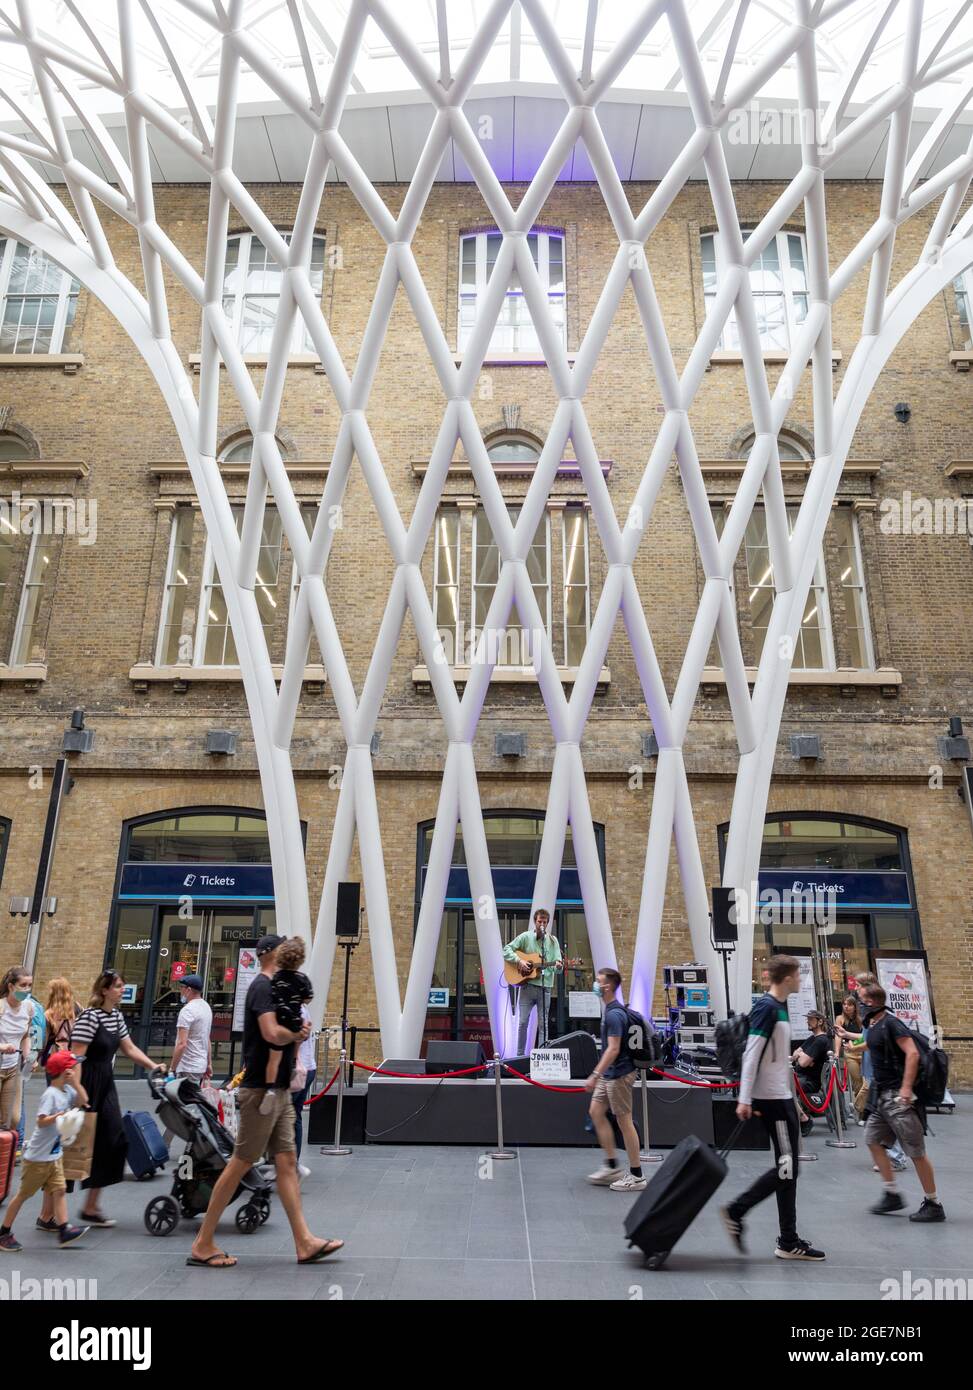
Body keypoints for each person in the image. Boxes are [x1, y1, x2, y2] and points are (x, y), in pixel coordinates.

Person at [189, 935, 342, 1268]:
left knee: (286, 1163)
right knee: (242, 1161)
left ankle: (304, 1242)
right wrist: (297, 1034)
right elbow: (272, 1034)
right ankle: (202, 1242)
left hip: (280, 1090)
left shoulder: (278, 988)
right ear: (271, 954)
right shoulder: (261, 988)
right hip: (261, 1091)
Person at [720, 955, 825, 1260]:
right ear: (788, 978)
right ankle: (737, 1211)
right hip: (772, 1101)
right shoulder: (767, 1008)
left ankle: (788, 1240)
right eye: (798, 975)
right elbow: (752, 1053)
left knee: (788, 1169)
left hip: (781, 1099)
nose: (801, 980)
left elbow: (777, 1061)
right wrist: (744, 1098)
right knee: (787, 1169)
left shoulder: (779, 1008)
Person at [70, 971, 164, 1228]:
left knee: (113, 1140)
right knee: (76, 1145)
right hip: (86, 1081)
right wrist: (78, 1090)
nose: (123, 989)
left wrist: (153, 1066)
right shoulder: (90, 1017)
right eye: (119, 986)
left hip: (106, 1082)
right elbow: (76, 1056)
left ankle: (91, 1205)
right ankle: (50, 1212)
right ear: (104, 990)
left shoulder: (116, 1016)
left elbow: (129, 1048)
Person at [859, 983, 945, 1223]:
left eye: (861, 999)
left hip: (898, 1097)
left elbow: (913, 1053)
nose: (858, 1005)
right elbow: (873, 1044)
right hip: (883, 1098)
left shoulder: (891, 1023)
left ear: (872, 1002)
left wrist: (906, 1088)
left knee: (915, 1151)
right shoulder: (874, 1025)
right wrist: (851, 1041)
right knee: (873, 1139)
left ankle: (933, 1203)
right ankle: (892, 1193)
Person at [0, 1050, 89, 1252]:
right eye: (74, 1066)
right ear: (65, 1071)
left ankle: (64, 1229)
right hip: (38, 1158)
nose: (77, 1069)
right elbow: (41, 1122)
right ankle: (3, 1232)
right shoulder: (51, 1095)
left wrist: (75, 1084)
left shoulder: (68, 1091)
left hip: (54, 1155)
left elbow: (84, 1099)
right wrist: (59, 1117)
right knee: (23, 1195)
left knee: (59, 1191)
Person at [584, 967, 645, 1193]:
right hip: (610, 1074)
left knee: (624, 1121)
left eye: (598, 981)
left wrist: (594, 1075)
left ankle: (637, 1175)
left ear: (608, 986)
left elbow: (613, 1049)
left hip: (619, 1074)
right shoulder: (610, 1010)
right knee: (596, 1112)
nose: (596, 984)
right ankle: (611, 1166)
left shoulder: (614, 1014)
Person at [843, 972, 907, 1169]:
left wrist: (854, 1047)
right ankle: (890, 1156)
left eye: (860, 987)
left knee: (887, 1116)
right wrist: (847, 1034)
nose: (857, 992)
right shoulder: (870, 1016)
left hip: (883, 1072)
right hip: (873, 1067)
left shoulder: (883, 1017)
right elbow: (866, 1037)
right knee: (881, 1116)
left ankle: (895, 1157)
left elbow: (871, 1042)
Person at [162, 974, 213, 1149]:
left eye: (182, 988)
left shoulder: (188, 1011)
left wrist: (172, 1069)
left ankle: (198, 1145)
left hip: (187, 1066)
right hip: (198, 1065)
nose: (180, 991)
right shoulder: (206, 1007)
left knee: (182, 1109)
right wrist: (209, 1063)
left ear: (189, 990)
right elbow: (207, 1039)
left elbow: (182, 1044)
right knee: (181, 1106)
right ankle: (165, 1143)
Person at [504, 908, 563, 1054]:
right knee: (523, 1022)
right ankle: (519, 1055)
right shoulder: (525, 937)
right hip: (527, 987)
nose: (541, 924)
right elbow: (507, 949)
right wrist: (519, 961)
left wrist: (559, 966)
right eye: (539, 921)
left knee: (543, 1024)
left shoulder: (552, 941)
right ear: (535, 922)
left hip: (545, 988)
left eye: (544, 922)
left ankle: (542, 1055)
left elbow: (557, 967)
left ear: (548, 923)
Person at [262, 938, 312, 1112]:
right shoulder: (302, 979)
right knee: (295, 1045)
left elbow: (271, 993)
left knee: (274, 1056)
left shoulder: (275, 977)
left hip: (279, 1019)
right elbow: (308, 997)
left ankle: (270, 1088)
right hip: (294, 1021)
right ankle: (292, 1065)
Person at [0, 967, 34, 1134]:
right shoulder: (1, 1006)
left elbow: (25, 1035)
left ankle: (6, 1156)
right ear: (11, 986)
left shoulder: (28, 1008)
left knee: (13, 1119)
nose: (27, 990)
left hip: (13, 1068)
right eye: (23, 985)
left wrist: (28, 1056)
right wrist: (2, 1047)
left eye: (29, 985)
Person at [292, 1002, 317, 1177]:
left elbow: (299, 1038)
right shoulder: (303, 1008)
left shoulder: (296, 1009)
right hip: (307, 1068)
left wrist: (292, 1060)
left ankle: (287, 1163)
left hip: (298, 1070)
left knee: (284, 1115)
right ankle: (292, 1162)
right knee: (295, 1116)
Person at [833, 994, 866, 1117]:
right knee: (857, 1083)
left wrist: (856, 1043)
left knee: (866, 1083)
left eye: (849, 1004)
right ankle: (862, 1113)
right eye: (844, 1004)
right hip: (850, 1053)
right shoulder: (840, 1019)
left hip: (863, 1051)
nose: (846, 1007)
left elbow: (865, 1036)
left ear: (854, 1006)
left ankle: (857, 1106)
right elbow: (838, 1036)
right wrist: (836, 1052)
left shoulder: (861, 1019)